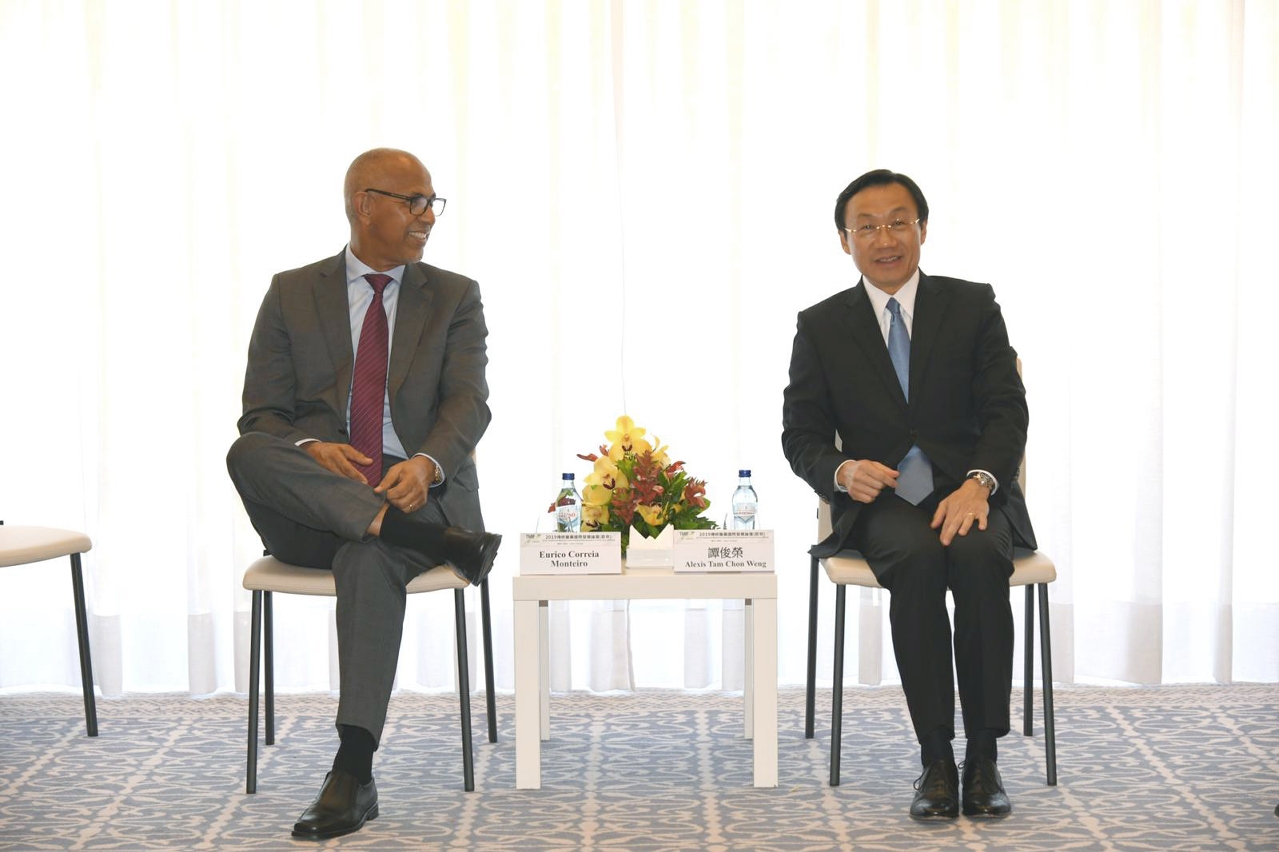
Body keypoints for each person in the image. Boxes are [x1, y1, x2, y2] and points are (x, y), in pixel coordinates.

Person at [227, 148, 500, 840]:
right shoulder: (291, 293)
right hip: (313, 505)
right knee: (246, 452)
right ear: (363, 203)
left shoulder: (454, 296)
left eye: (433, 203)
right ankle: (417, 538)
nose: (427, 216)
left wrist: (428, 464)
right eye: (413, 202)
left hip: (418, 492)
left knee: (369, 552)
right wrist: (307, 449)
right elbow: (262, 417)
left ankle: (352, 770)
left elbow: (468, 403)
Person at [782, 169, 1036, 820]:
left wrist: (981, 484)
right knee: (919, 561)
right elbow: (801, 434)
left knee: (977, 559)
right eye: (866, 226)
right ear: (845, 241)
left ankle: (983, 758)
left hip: (969, 491)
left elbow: (1006, 411)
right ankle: (935, 759)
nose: (885, 238)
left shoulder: (972, 305)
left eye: (899, 222)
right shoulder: (821, 326)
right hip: (884, 501)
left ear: (923, 229)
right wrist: (842, 471)